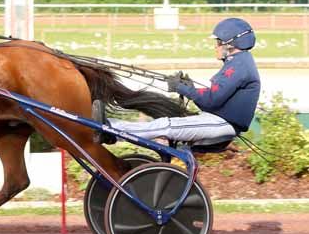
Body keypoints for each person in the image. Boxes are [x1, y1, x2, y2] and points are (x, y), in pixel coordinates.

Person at [94, 18, 261, 146]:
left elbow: (212, 99)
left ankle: (111, 130)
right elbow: (213, 101)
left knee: (167, 126)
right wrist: (189, 87)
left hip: (223, 124)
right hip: (218, 119)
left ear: (230, 44)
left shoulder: (239, 65)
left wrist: (181, 88)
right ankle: (112, 127)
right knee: (165, 124)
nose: (215, 46)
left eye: (218, 42)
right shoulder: (237, 61)